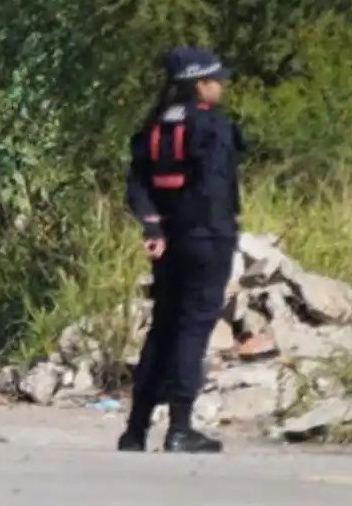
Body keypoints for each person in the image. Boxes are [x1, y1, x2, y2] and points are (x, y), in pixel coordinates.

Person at [118, 47, 244, 454]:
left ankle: (135, 430)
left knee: (164, 327)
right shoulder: (212, 126)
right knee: (193, 329)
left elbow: (137, 184)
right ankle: (180, 428)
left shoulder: (154, 126)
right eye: (215, 79)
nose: (221, 86)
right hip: (206, 238)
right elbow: (214, 188)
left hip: (166, 241)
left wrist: (155, 225)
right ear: (198, 84)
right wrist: (205, 229)